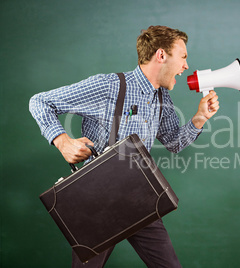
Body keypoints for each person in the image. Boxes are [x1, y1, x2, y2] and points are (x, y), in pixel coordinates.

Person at [29, 25, 219, 268]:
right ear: (161, 55)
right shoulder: (109, 87)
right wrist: (62, 141)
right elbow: (40, 102)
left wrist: (200, 118)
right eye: (183, 57)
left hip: (140, 197)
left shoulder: (162, 97)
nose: (185, 66)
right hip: (98, 201)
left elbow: (173, 142)